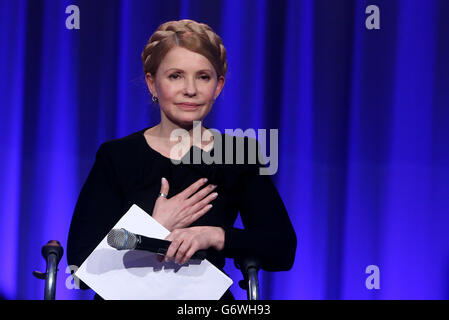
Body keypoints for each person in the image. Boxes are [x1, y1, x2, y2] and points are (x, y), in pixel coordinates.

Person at [67, 19, 296, 300]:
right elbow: (80, 265)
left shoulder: (239, 156)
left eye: (203, 77)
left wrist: (213, 235)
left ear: (218, 86)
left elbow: (282, 249)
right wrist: (153, 225)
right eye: (175, 76)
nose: (190, 89)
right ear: (152, 83)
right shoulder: (117, 155)